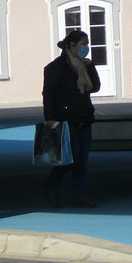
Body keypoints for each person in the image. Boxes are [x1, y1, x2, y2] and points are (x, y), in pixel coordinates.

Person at [41, 30, 100, 208]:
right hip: (65, 118)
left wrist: (90, 66)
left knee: (82, 159)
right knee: (71, 157)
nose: (86, 47)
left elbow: (95, 87)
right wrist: (49, 117)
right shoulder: (55, 68)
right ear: (72, 46)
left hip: (84, 116)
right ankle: (51, 184)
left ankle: (79, 196)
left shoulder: (85, 66)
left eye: (86, 43)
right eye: (83, 43)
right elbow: (48, 94)